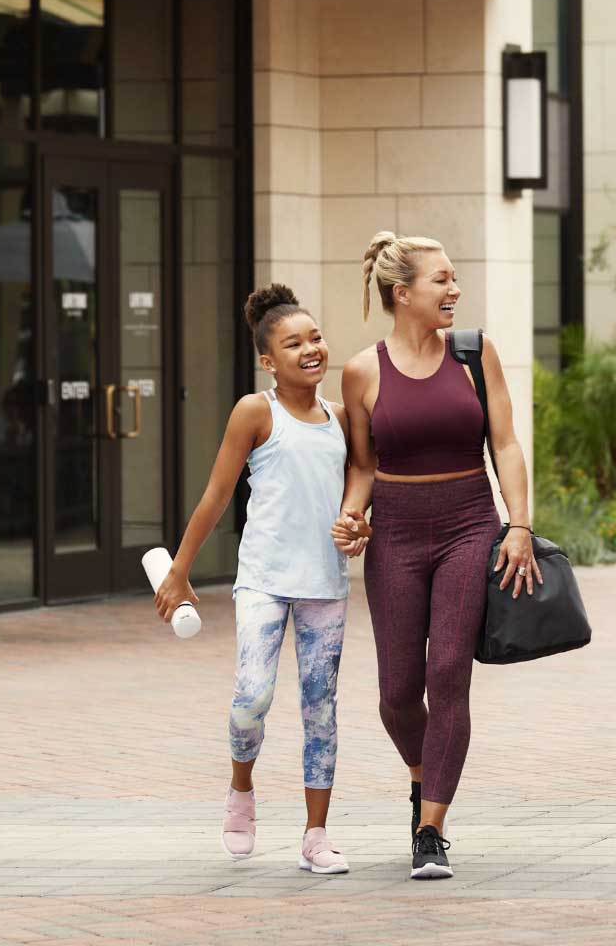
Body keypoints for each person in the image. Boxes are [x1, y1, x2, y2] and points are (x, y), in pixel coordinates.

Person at [332, 230, 540, 880]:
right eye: (441, 280)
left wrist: (520, 525)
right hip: (394, 533)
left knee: (449, 670)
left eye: (454, 279)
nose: (454, 291)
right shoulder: (363, 370)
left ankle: (431, 830)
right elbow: (364, 468)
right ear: (403, 293)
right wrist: (350, 515)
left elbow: (504, 443)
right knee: (398, 694)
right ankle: (425, 777)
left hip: (468, 524)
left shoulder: (474, 354)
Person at [154, 284, 357, 876]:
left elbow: (357, 491)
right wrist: (179, 571)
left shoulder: (342, 419)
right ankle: (241, 790)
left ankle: (316, 835)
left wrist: (358, 523)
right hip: (265, 579)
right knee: (253, 698)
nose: (310, 349)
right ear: (269, 360)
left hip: (325, 583)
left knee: (321, 708)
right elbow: (218, 494)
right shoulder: (255, 411)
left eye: (315, 337)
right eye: (293, 343)